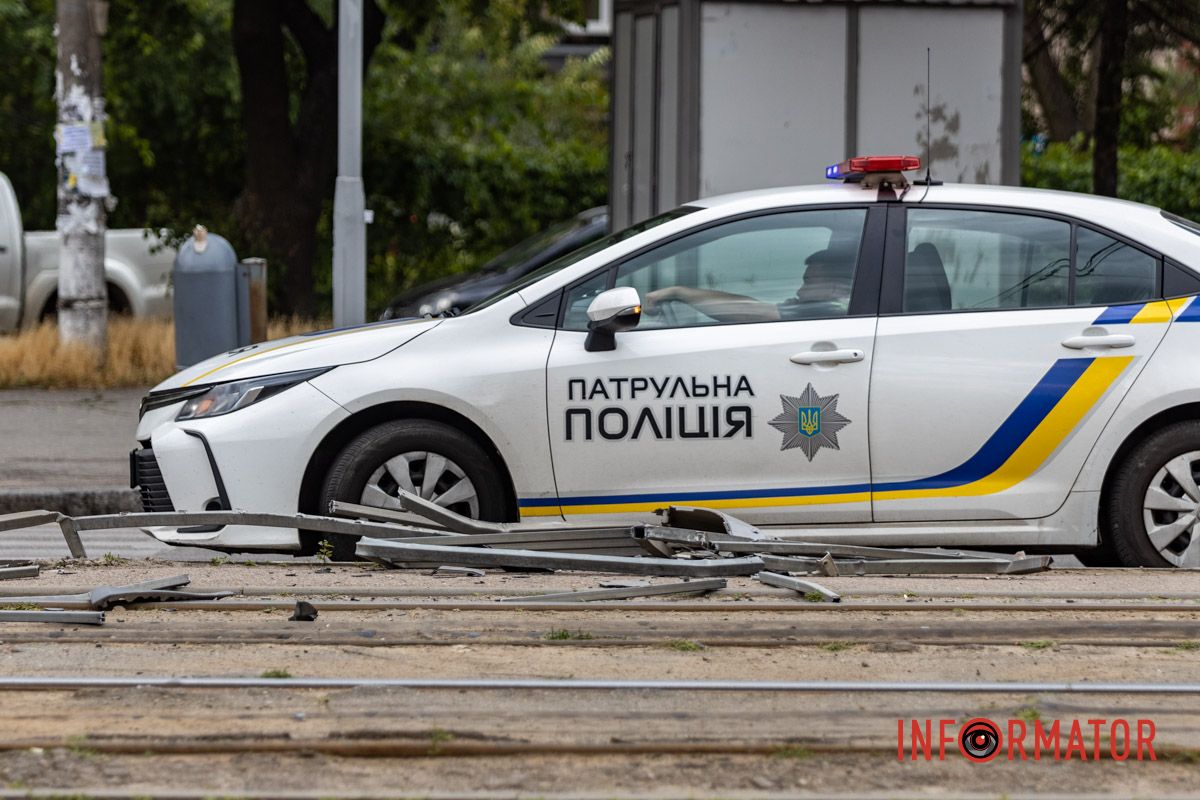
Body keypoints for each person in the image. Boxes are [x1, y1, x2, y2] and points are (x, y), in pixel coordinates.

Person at [642, 248, 854, 324]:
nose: (799, 292)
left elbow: (752, 312)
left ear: (837, 289)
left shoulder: (830, 309)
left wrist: (679, 292)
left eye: (809, 283)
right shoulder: (841, 311)